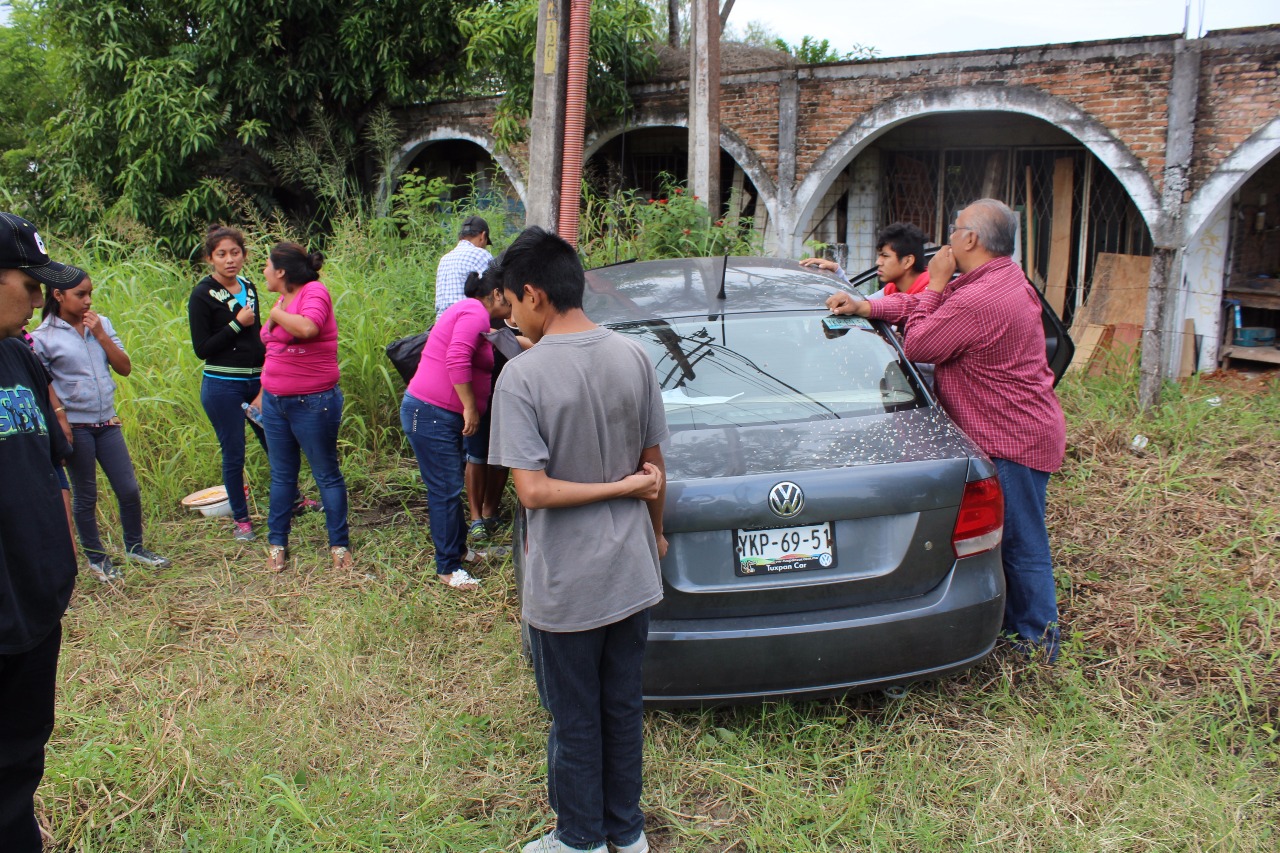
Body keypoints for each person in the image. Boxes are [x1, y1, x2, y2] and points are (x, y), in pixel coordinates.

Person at [489, 227, 668, 853]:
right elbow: (654, 469)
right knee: (621, 706)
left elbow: (533, 492)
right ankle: (628, 831)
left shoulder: (522, 377)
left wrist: (621, 489)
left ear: (534, 294)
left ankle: (581, 839)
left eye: (511, 304)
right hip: (631, 569)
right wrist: (654, 531)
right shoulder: (634, 356)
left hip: (567, 581)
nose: (509, 319)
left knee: (573, 714)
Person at [826, 199, 1066, 660]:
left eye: (955, 229)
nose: (948, 238)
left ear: (971, 239)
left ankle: (1039, 641)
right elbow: (923, 305)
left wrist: (935, 282)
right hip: (1019, 426)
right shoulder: (998, 278)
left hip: (1012, 437)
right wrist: (867, 305)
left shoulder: (979, 298)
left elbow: (919, 342)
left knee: (1022, 543)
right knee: (1009, 538)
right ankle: (1017, 625)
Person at [0, 211, 79, 851]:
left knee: (22, 750)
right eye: (28, 285)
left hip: (34, 601)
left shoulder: (18, 358)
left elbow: (53, 464)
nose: (36, 300)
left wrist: (62, 560)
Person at [31, 267, 172, 581]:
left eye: (90, 294)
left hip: (107, 421)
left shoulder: (101, 324)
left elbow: (124, 367)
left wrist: (100, 335)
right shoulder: (43, 338)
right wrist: (60, 419)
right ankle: (97, 559)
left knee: (128, 489)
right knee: (86, 495)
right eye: (80, 294)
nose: (88, 301)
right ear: (58, 295)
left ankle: (134, 547)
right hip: (76, 427)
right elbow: (44, 385)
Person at [187, 225, 316, 542]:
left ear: (244, 255)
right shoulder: (202, 294)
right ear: (210, 259)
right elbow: (202, 348)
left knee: (276, 442)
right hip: (222, 384)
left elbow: (260, 335)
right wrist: (235, 324)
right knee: (234, 453)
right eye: (221, 254)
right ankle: (242, 520)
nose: (229, 260)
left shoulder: (249, 286)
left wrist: (270, 368)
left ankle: (295, 500)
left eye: (235, 253)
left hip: (258, 381)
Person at [401, 270, 512, 590]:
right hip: (431, 413)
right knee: (445, 488)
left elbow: (498, 341)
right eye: (511, 296)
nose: (514, 303)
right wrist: (470, 407)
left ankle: (459, 550)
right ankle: (448, 567)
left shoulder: (474, 315)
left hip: (437, 414)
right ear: (496, 294)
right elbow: (457, 357)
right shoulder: (474, 312)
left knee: (449, 486)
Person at [257, 243, 350, 573]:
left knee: (326, 474)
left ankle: (339, 545)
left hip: (312, 401)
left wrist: (275, 315)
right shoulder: (284, 299)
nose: (264, 271)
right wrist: (263, 391)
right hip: (275, 401)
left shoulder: (314, 292)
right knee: (282, 475)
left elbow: (308, 327)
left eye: (267, 265)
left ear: (281, 271)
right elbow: (271, 346)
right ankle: (277, 543)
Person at [800, 222, 932, 298]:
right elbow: (862, 304)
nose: (878, 262)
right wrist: (837, 272)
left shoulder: (931, 294)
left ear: (908, 261)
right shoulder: (892, 289)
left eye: (885, 256)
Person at [434, 215, 492, 315]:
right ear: (483, 236)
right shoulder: (480, 254)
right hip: (466, 318)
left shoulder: (444, 259)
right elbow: (494, 291)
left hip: (441, 321)